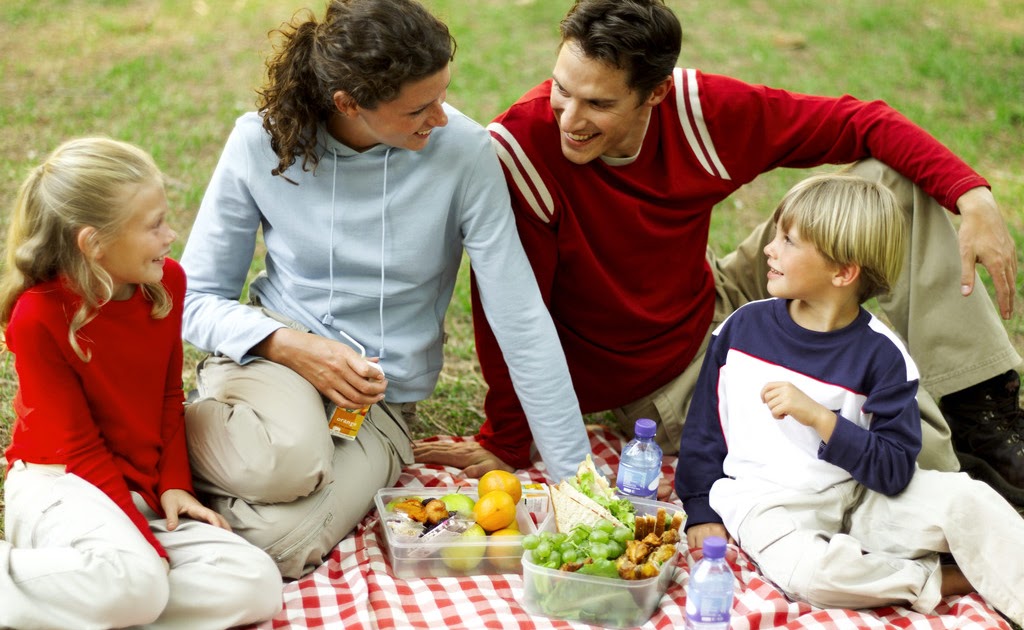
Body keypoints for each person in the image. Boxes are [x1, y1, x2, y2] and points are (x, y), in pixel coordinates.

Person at [413, 0, 1024, 507]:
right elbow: (511, 314)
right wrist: (508, 440)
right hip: (664, 379)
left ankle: (983, 411)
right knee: (847, 407)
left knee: (896, 180)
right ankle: (951, 489)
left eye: (598, 104)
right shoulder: (523, 150)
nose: (569, 118)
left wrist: (973, 197)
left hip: (717, 295)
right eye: (561, 90)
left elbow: (860, 122)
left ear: (653, 95)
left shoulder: (698, 113)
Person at [179, 0, 588, 579]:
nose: (441, 118)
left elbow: (519, 316)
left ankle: (197, 484)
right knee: (287, 462)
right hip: (274, 360)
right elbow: (193, 299)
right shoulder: (259, 143)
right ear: (348, 103)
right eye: (419, 108)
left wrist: (577, 481)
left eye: (442, 96)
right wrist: (286, 345)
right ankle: (161, 437)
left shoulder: (467, 154)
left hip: (377, 403)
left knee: (282, 544)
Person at [675, 173, 1024, 624]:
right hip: (766, 505)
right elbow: (704, 432)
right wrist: (701, 509)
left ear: (842, 272)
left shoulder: (883, 355)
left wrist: (824, 420)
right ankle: (939, 579)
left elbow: (896, 469)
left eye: (789, 240)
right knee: (815, 575)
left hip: (862, 496)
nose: (769, 248)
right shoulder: (742, 331)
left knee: (968, 500)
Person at [0, 137, 282, 629]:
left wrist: (173, 484)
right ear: (94, 243)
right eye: (154, 227)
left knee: (255, 582)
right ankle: (87, 585)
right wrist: (148, 550)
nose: (170, 236)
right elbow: (79, 448)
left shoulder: (166, 283)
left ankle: (91, 597)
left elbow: (169, 398)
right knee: (137, 580)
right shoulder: (38, 316)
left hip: (137, 486)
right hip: (61, 483)